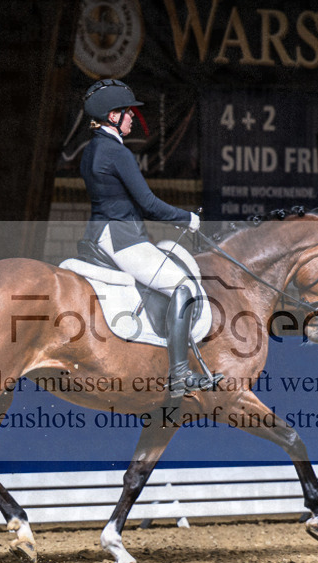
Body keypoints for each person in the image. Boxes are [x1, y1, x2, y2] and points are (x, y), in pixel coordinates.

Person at [78, 79, 221, 398]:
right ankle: (180, 375)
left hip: (101, 233)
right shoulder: (116, 152)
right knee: (183, 286)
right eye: (127, 113)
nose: (132, 118)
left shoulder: (92, 150)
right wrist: (189, 218)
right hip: (122, 237)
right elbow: (148, 204)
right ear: (112, 116)